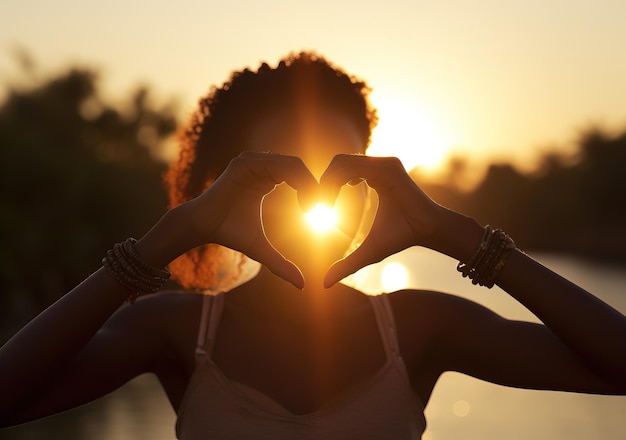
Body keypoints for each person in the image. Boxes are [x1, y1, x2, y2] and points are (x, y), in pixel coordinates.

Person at [0, 51, 624, 439]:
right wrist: (175, 234)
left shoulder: (418, 327)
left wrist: (453, 232)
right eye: (282, 173)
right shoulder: (177, 331)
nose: (316, 200)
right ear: (226, 189)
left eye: (343, 173)